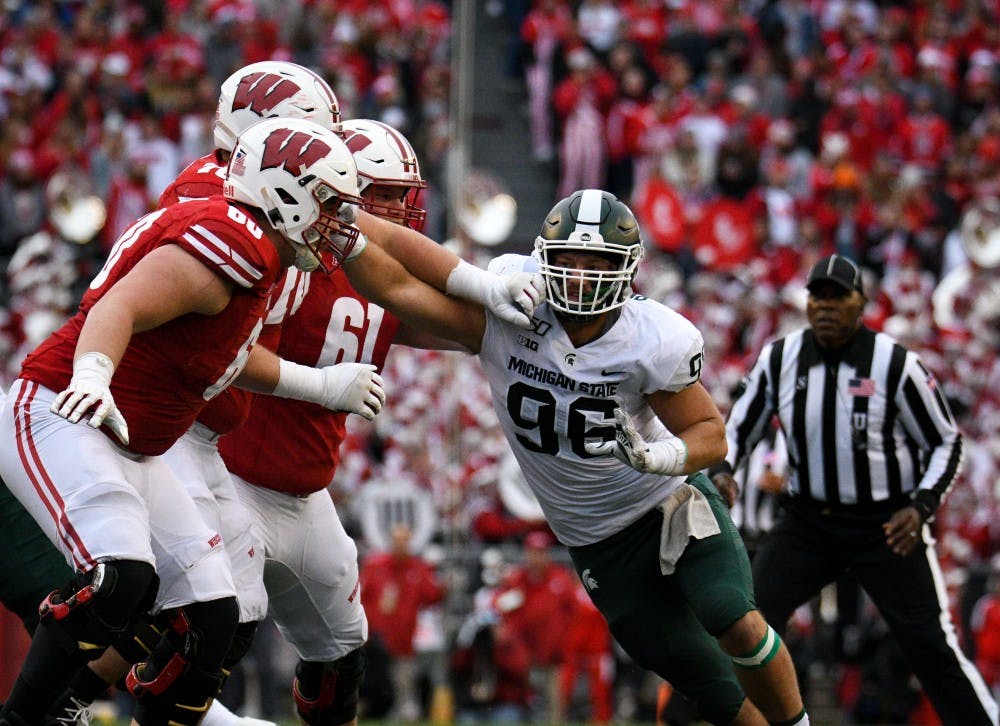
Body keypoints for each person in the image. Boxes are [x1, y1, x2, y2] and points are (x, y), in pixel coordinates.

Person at [343, 188, 810, 725]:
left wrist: (658, 458)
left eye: (598, 264)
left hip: (667, 507)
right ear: (544, 257)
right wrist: (345, 230)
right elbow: (398, 285)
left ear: (626, 268)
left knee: (733, 617)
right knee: (713, 687)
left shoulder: (649, 339)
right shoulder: (510, 311)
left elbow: (710, 433)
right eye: (569, 260)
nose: (582, 276)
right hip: (597, 542)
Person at [0, 117, 368, 726]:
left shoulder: (261, 256)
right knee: (118, 579)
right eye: (330, 204)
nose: (341, 224)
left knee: (210, 619)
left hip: (133, 443)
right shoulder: (238, 241)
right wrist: (92, 375)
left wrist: (321, 384)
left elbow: (224, 351)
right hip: (62, 410)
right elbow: (119, 304)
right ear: (284, 193)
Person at [215, 115, 543, 726]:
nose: (393, 209)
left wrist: (520, 290)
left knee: (344, 653)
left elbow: (467, 327)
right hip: (234, 478)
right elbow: (228, 352)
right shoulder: (290, 263)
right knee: (213, 635)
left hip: (309, 495)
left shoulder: (385, 281)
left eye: (401, 195)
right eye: (379, 194)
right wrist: (314, 383)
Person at [711, 253, 999, 725]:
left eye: (837, 297)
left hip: (884, 524)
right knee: (748, 624)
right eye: (817, 297)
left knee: (929, 644)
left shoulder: (896, 364)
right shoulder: (780, 357)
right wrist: (725, 469)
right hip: (807, 522)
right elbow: (740, 427)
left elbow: (946, 441)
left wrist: (922, 504)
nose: (825, 307)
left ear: (860, 302)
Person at [359, 522, 446, 722]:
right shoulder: (375, 565)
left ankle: (400, 711)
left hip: (403, 641)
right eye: (397, 540)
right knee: (370, 681)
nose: (400, 545)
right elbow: (361, 598)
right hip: (374, 643)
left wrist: (445, 586)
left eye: (404, 541)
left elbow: (432, 595)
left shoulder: (418, 568)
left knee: (403, 683)